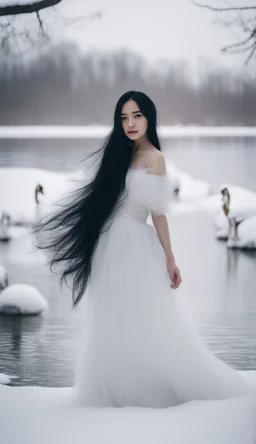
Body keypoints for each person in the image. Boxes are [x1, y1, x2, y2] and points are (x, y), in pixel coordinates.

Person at [33, 90, 254, 408]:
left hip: (137, 244)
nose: (130, 123)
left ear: (149, 117)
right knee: (111, 318)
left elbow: (158, 213)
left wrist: (170, 258)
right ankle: (112, 386)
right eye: (124, 117)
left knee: (144, 317)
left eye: (136, 115)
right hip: (109, 245)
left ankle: (146, 386)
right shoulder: (118, 154)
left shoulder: (155, 158)